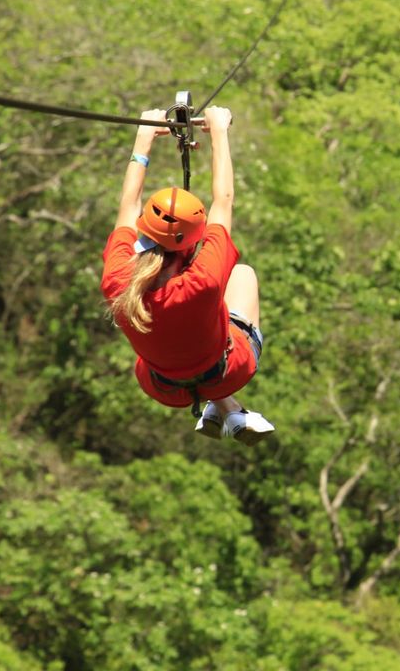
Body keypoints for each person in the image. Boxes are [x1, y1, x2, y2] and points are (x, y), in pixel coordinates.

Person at [100, 106, 274, 445]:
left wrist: (143, 136)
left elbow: (127, 204)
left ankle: (226, 408)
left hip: (162, 385)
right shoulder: (202, 281)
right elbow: (223, 200)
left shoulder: (118, 280)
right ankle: (223, 400)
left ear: (143, 232)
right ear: (190, 244)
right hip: (228, 370)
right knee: (242, 274)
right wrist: (219, 130)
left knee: (176, 345)